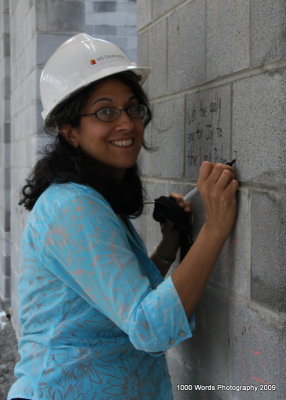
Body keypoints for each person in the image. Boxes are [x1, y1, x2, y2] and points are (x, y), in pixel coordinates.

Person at [8, 33, 238, 400]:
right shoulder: (73, 207)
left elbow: (114, 307)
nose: (126, 123)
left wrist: (167, 251)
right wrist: (216, 228)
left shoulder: (87, 198)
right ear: (70, 131)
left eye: (133, 108)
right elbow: (150, 327)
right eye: (105, 112)